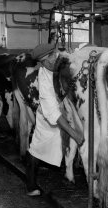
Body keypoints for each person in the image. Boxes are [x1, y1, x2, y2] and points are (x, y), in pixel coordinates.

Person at [26, 43, 84, 196]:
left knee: (69, 145)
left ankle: (70, 170)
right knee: (37, 147)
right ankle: (30, 183)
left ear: (55, 53)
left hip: (70, 111)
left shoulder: (67, 61)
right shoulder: (44, 76)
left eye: (51, 57)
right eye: (45, 61)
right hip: (49, 117)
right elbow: (51, 111)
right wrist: (74, 133)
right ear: (41, 63)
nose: (50, 62)